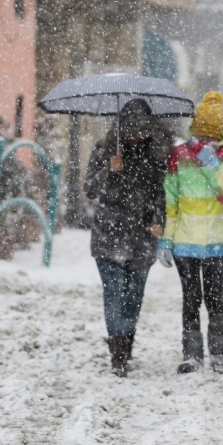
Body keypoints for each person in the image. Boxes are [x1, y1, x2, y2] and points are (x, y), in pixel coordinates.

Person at [157, 91, 223, 374]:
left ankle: (218, 352)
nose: (205, 140)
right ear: (194, 128)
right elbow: (172, 203)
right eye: (201, 133)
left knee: (215, 298)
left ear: (220, 132)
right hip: (185, 242)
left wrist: (213, 165)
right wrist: (166, 239)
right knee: (191, 298)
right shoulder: (178, 155)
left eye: (211, 135)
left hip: (220, 241)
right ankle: (191, 354)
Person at [84, 98, 173, 377]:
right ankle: (118, 354)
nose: (136, 136)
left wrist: (159, 220)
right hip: (108, 235)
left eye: (142, 130)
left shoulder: (157, 154)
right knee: (113, 293)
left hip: (141, 237)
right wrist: (109, 169)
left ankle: (126, 341)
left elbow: (161, 193)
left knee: (133, 296)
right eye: (132, 129)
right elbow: (89, 189)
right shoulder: (105, 149)